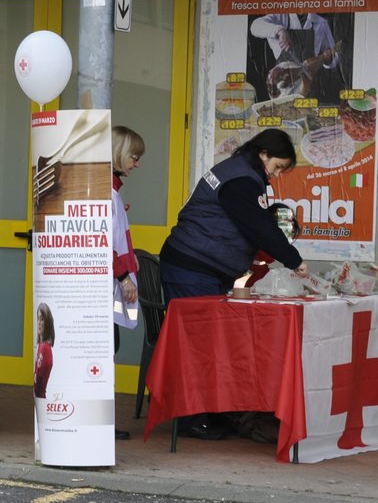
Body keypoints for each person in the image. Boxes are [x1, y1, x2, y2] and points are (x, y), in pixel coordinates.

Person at [159, 128, 309, 439]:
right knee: (198, 344)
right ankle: (190, 419)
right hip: (192, 267)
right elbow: (257, 227)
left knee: (207, 342)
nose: (277, 174)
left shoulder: (237, 171)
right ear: (263, 154)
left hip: (197, 266)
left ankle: (208, 413)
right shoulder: (241, 179)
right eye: (278, 166)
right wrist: (294, 260)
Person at [110, 126, 145, 440]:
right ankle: (101, 418)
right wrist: (123, 277)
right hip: (109, 283)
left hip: (110, 281)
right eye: (133, 157)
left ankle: (102, 418)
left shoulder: (111, 192)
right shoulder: (107, 192)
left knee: (112, 344)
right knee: (109, 345)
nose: (136, 164)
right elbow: (104, 240)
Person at [33, 302, 55, 400]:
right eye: (38, 318)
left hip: (39, 399)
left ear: (48, 323)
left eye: (42, 319)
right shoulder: (42, 347)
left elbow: (38, 382)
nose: (39, 322)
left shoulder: (44, 348)